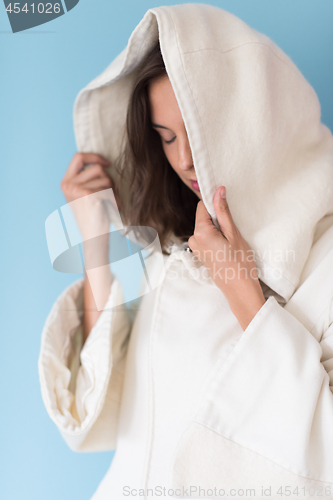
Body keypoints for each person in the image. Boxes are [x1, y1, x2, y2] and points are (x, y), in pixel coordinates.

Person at [38, 4, 333, 499]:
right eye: (166, 138)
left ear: (254, 117)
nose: (183, 158)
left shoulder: (323, 259)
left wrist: (241, 287)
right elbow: (94, 407)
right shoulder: (172, 256)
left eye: (196, 130)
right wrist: (95, 236)